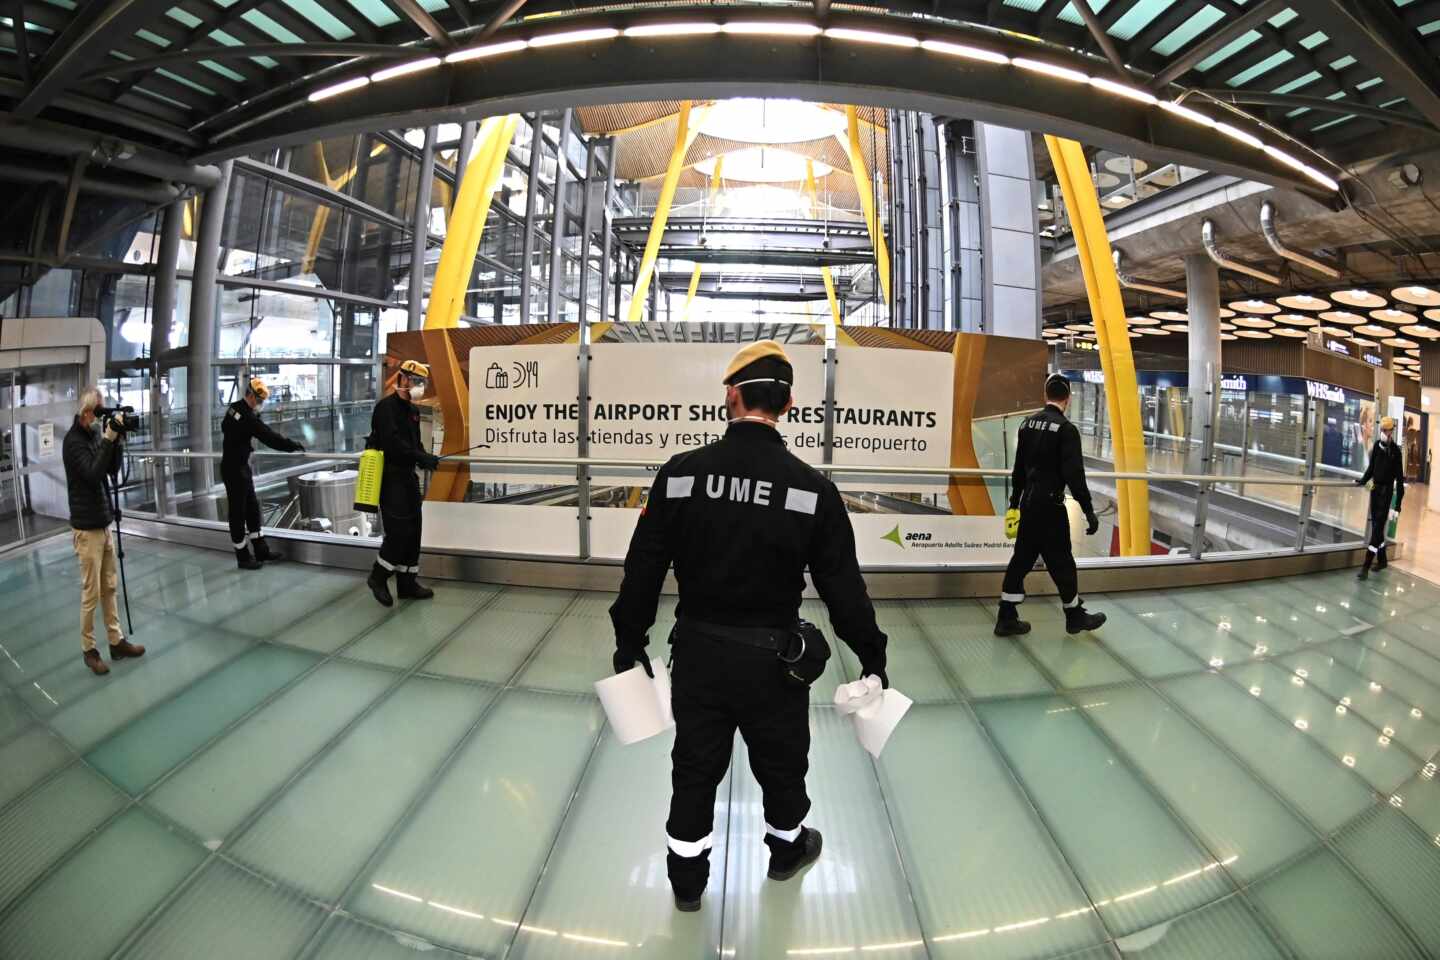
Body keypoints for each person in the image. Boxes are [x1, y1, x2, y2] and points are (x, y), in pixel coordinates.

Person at [608, 340, 889, 913]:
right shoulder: (813, 490)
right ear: (786, 406)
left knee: (694, 768)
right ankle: (787, 851)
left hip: (699, 655)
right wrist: (872, 656)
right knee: (783, 763)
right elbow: (843, 588)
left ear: (732, 397)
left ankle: (686, 882)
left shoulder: (681, 475)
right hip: (774, 664)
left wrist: (628, 640)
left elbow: (644, 567)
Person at [995, 373, 1106, 637]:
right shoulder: (1066, 430)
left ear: (1045, 396)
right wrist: (1088, 510)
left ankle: (1006, 616)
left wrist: (1014, 502)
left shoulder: (1026, 425)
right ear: (1067, 399)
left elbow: (1018, 470)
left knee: (1020, 561)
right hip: (1051, 508)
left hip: (1029, 505)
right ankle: (1074, 616)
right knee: (1063, 562)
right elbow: (1074, 475)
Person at [63, 387, 146, 676]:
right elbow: (92, 474)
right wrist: (108, 438)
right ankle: (90, 650)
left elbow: (111, 470)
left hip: (103, 521)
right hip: (87, 529)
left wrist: (117, 441)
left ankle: (116, 641)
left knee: (109, 587)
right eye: (97, 411)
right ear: (86, 412)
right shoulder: (72, 442)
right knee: (91, 592)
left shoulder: (95, 436)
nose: (100, 417)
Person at [366, 359, 441, 607]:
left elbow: (414, 444)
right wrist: (420, 456)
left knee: (414, 531)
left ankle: (407, 584)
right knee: (399, 532)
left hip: (408, 477)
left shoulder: (413, 411)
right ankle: (378, 577)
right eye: (417, 381)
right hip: (390, 478)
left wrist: (425, 459)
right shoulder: (385, 409)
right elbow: (393, 444)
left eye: (423, 383)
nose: (420, 387)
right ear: (403, 379)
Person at [221, 377, 304, 570]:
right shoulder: (248, 417)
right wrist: (292, 446)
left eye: (261, 402)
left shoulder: (235, 409)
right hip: (234, 469)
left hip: (240, 467)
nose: (260, 405)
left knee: (251, 509)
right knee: (238, 513)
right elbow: (270, 437)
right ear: (250, 394)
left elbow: (227, 427)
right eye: (258, 401)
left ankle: (260, 550)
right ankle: (242, 556)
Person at [1355, 415, 1405, 580]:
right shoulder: (1376, 446)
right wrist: (1362, 481)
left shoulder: (1396, 452)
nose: (1384, 432)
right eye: (1382, 429)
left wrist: (1397, 506)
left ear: (1391, 431)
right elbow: (1371, 468)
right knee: (1377, 524)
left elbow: (1399, 480)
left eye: (1386, 430)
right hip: (1374, 489)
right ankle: (1382, 560)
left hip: (1386, 492)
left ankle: (1365, 566)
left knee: (1377, 529)